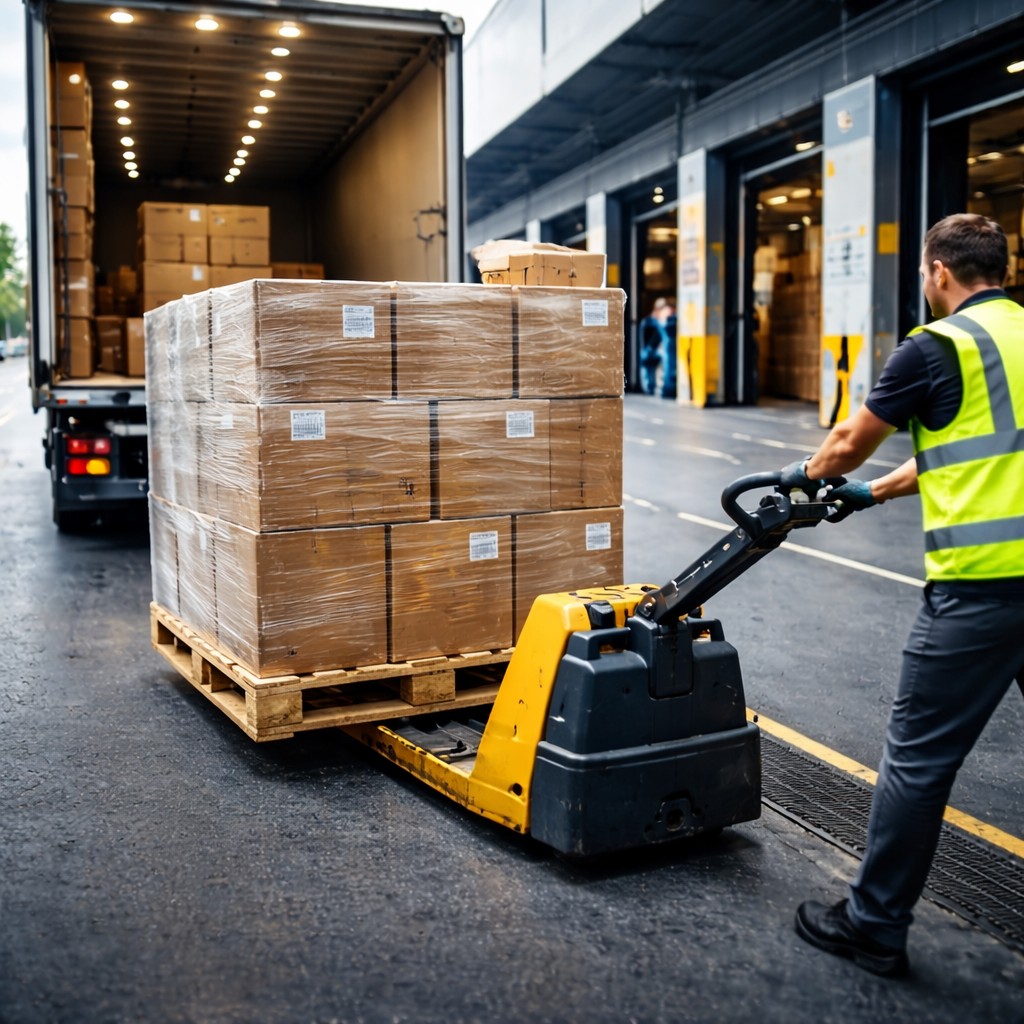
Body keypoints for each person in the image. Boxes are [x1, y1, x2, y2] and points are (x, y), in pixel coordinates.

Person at [778, 212, 1024, 978]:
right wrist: (873, 496)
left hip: (983, 592)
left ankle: (873, 925)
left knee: (917, 762)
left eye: (924, 273)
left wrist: (807, 480)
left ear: (940, 273)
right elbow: (972, 446)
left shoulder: (935, 348)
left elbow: (849, 441)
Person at [638, 298, 671, 395]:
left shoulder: (650, 321)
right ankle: (652, 387)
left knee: (651, 370)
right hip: (652, 349)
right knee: (654, 368)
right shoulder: (652, 321)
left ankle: (651, 387)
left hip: (651, 349)